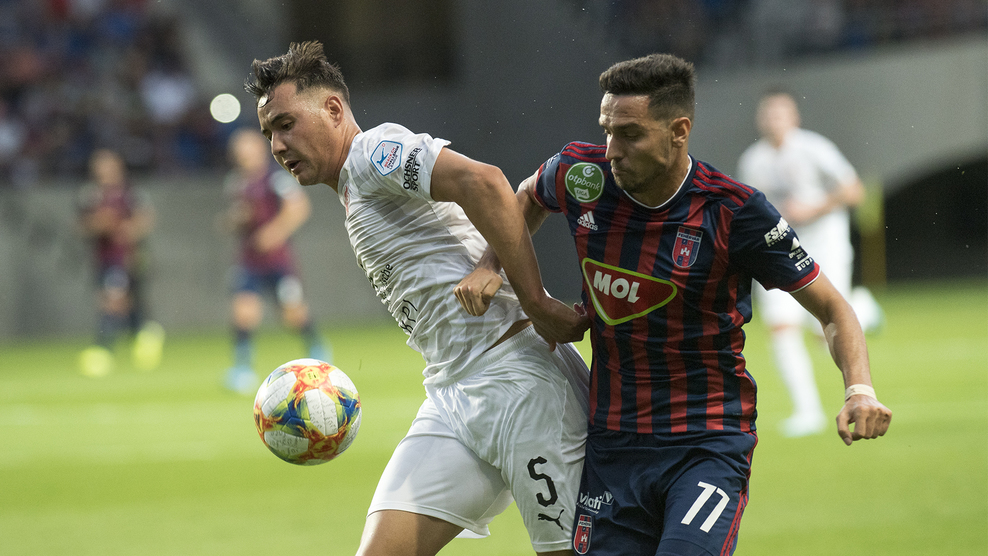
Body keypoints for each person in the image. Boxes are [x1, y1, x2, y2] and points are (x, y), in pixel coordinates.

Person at [455, 53, 892, 555]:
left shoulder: (733, 212)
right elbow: (527, 196)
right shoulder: (584, 175)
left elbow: (833, 308)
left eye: (630, 135)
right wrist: (493, 265)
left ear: (678, 131)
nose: (612, 150)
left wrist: (859, 389)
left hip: (705, 444)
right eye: (607, 131)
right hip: (613, 445)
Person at [245, 41, 591, 556]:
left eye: (286, 124)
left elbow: (484, 182)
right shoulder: (353, 188)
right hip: (452, 394)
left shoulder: (372, 153)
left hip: (520, 383)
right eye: (269, 133)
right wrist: (488, 265)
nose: (277, 145)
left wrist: (536, 301)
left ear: (334, 109)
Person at [737, 88, 884, 437]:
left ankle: (864, 310)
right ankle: (807, 411)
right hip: (779, 249)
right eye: (767, 113)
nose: (773, 120)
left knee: (826, 329)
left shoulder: (814, 148)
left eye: (780, 113)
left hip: (824, 243)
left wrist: (813, 209)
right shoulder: (753, 160)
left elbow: (854, 190)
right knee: (781, 328)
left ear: (794, 117)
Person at [220, 127, 330, 394]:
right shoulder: (236, 183)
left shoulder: (276, 179)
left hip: (278, 261)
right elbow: (239, 216)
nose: (243, 154)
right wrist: (234, 221)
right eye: (239, 150)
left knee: (293, 314)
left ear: (259, 150)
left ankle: (318, 350)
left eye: (247, 148)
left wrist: (275, 232)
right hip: (249, 261)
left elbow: (299, 208)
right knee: (243, 312)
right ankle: (242, 368)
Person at [77, 148, 165, 377]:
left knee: (113, 300)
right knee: (125, 303)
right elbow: (82, 225)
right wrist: (98, 225)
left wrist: (129, 230)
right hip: (103, 259)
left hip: (127, 257)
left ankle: (103, 349)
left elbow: (145, 219)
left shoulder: (131, 192)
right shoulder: (91, 194)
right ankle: (146, 334)